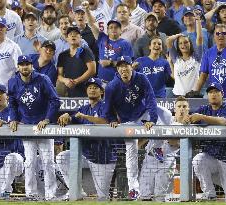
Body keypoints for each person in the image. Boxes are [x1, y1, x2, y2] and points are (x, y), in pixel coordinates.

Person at [103, 56, 159, 199]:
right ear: (118, 69)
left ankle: (157, 146)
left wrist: (152, 120)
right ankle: (134, 188)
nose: (124, 69)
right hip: (128, 121)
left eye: (126, 65)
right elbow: (107, 109)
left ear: (131, 67)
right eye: (121, 66)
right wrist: (112, 119)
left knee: (164, 113)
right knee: (131, 151)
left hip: (143, 114)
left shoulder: (141, 78)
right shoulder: (112, 86)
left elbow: (151, 99)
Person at [57, 77, 119, 201]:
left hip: (103, 157)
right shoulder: (84, 108)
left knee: (103, 198)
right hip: (85, 154)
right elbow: (73, 118)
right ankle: (76, 190)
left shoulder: (107, 106)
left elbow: (106, 121)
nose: (92, 90)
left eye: (95, 87)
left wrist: (86, 117)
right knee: (62, 157)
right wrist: (66, 116)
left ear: (102, 92)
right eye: (89, 87)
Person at [8, 55, 61, 200]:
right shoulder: (13, 82)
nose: (24, 67)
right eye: (22, 64)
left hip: (43, 127)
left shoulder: (43, 79)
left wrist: (47, 119)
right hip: (27, 125)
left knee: (48, 161)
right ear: (18, 67)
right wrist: (14, 119)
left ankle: (51, 194)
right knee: (30, 161)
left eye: (27, 64)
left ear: (32, 66)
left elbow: (55, 101)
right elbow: (12, 103)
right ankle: (31, 193)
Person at [191, 82, 226, 202]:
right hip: (211, 158)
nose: (213, 94)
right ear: (207, 95)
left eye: (216, 92)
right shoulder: (203, 109)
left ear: (222, 94)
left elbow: (225, 121)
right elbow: (190, 120)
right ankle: (210, 195)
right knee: (198, 160)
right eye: (210, 92)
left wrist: (202, 117)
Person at [139, 96, 189, 201]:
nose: (182, 109)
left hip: (166, 162)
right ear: (174, 109)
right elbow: (144, 137)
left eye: (184, 106)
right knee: (144, 195)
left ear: (188, 109)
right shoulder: (163, 118)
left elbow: (174, 142)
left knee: (159, 196)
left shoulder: (188, 127)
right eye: (179, 106)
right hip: (149, 159)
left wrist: (161, 132)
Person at [193, 24, 226, 98]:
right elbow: (203, 75)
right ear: (214, 36)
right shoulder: (208, 53)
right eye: (217, 33)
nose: (220, 35)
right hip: (214, 95)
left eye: (223, 33)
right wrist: (196, 92)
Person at [84, 1, 133, 82]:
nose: (113, 29)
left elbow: (128, 64)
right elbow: (91, 24)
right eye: (111, 27)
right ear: (107, 30)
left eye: (116, 27)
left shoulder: (125, 43)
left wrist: (110, 63)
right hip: (102, 81)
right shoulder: (102, 38)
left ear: (121, 30)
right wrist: (87, 10)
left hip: (119, 81)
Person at [57, 27, 96, 97]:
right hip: (70, 91)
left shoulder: (86, 51)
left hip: (86, 92)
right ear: (67, 38)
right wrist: (65, 80)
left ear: (81, 38)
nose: (73, 35)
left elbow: (92, 70)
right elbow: (59, 75)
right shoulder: (62, 55)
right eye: (70, 34)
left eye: (76, 34)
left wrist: (76, 81)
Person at [167, 22, 203, 96]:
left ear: (190, 43)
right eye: (180, 43)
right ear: (178, 46)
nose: (183, 45)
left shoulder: (196, 57)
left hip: (193, 95)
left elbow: (199, 38)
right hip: (178, 95)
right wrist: (179, 35)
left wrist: (198, 20)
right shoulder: (176, 59)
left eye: (186, 42)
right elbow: (168, 41)